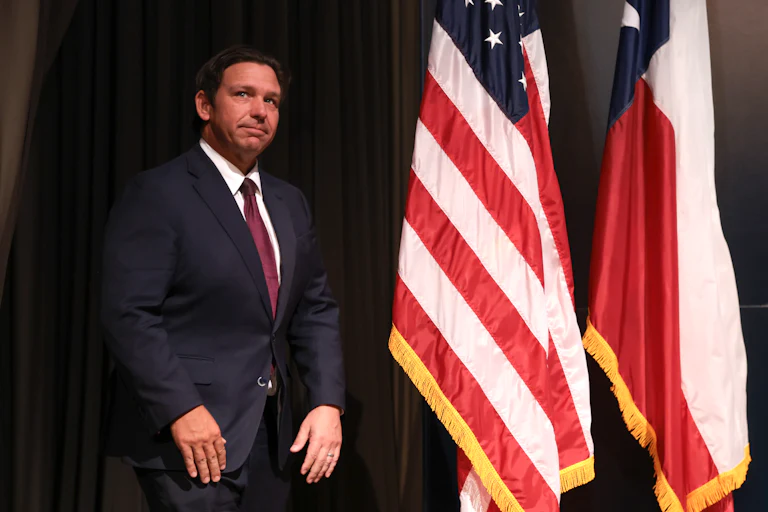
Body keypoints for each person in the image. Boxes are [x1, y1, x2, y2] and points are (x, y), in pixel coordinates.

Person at [101, 45, 345, 511]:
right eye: (243, 94)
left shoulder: (289, 203)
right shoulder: (157, 194)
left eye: (271, 101)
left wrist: (327, 403)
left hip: (271, 440)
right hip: (190, 440)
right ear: (205, 105)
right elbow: (129, 315)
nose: (260, 111)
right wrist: (180, 409)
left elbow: (315, 310)